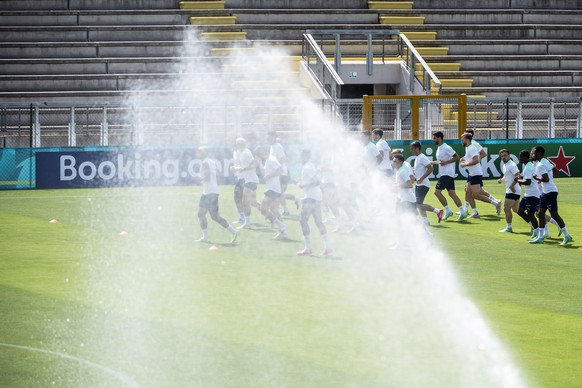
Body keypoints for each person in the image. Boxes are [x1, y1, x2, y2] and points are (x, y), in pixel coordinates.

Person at [194, 146, 239, 243]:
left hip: (209, 193)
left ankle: (206, 237)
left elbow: (208, 177)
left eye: (199, 151)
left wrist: (199, 178)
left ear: (204, 153)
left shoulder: (205, 162)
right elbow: (218, 174)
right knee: (214, 216)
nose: (198, 153)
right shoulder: (212, 161)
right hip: (212, 191)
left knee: (201, 214)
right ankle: (233, 231)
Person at [529, 146, 573, 245]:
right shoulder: (545, 161)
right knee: (540, 213)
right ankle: (540, 237)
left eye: (533, 153)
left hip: (550, 192)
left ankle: (567, 235)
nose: (531, 155)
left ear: (539, 154)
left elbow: (546, 179)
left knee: (554, 214)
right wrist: (546, 178)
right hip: (546, 192)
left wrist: (538, 178)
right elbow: (555, 171)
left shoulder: (541, 165)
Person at [297, 149, 332, 256]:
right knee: (318, 221)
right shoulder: (310, 166)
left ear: (306, 156)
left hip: (312, 197)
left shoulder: (308, 167)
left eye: (302, 156)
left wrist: (303, 185)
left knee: (303, 220)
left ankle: (308, 248)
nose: (300, 158)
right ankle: (327, 246)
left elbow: (316, 181)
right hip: (316, 196)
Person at [459, 132, 502, 217]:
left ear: (467, 140)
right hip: (472, 174)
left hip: (476, 174)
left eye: (462, 140)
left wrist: (465, 164)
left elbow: (476, 160)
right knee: (468, 193)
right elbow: (471, 158)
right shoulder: (468, 148)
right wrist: (464, 159)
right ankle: (475, 213)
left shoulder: (472, 148)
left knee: (476, 195)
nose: (461, 141)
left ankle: (496, 203)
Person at [431, 131, 467, 221]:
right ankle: (462, 212)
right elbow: (441, 161)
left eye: (434, 138)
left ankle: (448, 210)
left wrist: (446, 163)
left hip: (446, 173)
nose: (433, 140)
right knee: (452, 193)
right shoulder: (439, 148)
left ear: (439, 138)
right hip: (447, 173)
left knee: (437, 192)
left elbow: (456, 157)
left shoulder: (446, 147)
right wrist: (433, 162)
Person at [255, 147, 288, 240]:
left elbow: (280, 170)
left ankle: (281, 226)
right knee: (274, 210)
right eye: (258, 154)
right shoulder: (267, 161)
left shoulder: (271, 159)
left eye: (260, 152)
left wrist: (269, 176)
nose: (259, 155)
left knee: (263, 209)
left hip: (273, 188)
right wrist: (260, 163)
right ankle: (283, 233)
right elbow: (264, 174)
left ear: (265, 151)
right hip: (272, 187)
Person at [409, 141, 443, 225]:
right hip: (419, 184)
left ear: (417, 148)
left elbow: (431, 168)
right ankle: (425, 221)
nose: (411, 151)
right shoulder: (418, 158)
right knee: (419, 204)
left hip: (423, 184)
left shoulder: (422, 157)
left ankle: (438, 211)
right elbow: (419, 170)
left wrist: (421, 178)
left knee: (418, 204)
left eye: (412, 149)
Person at [266, 131, 299, 215]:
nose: (268, 138)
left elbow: (283, 158)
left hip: (282, 173)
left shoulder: (277, 146)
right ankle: (286, 209)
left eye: (269, 137)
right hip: (279, 173)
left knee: (280, 193)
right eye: (267, 137)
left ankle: (295, 199)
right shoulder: (272, 146)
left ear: (274, 137)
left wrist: (277, 168)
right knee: (280, 193)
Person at [232, 137, 260, 229]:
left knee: (247, 201)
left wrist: (243, 169)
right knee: (244, 200)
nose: (235, 145)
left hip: (248, 179)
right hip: (245, 178)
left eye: (237, 143)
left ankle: (247, 221)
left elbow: (254, 164)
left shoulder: (246, 152)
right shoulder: (240, 152)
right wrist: (237, 169)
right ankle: (245, 220)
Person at [515, 149, 541, 239]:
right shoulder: (527, 166)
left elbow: (528, 182)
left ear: (525, 157)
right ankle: (534, 229)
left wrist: (518, 180)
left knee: (531, 215)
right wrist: (520, 177)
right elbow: (525, 177)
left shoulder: (529, 167)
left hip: (532, 194)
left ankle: (538, 234)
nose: (519, 159)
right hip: (528, 194)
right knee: (520, 211)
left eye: (521, 157)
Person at [497, 149, 521, 233]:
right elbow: (507, 175)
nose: (504, 157)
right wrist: (502, 180)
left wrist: (512, 186)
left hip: (512, 190)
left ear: (509, 155)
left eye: (505, 155)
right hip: (515, 191)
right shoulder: (505, 165)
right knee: (517, 210)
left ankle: (509, 227)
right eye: (502, 156)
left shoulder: (511, 164)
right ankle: (533, 224)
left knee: (506, 208)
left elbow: (518, 175)